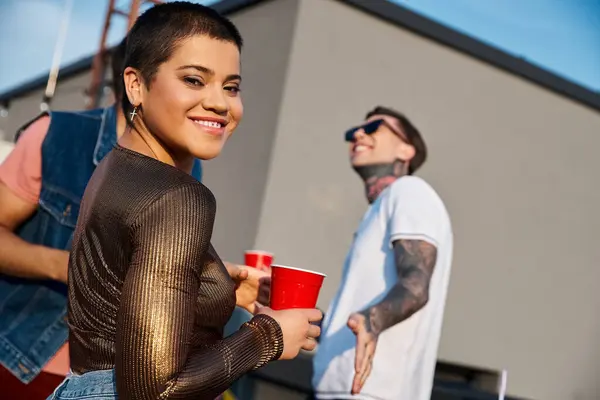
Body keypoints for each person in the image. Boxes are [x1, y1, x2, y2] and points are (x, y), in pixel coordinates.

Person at [48, 3, 322, 400]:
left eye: (231, 86)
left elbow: (113, 282)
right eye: (194, 80)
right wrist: (270, 336)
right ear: (136, 85)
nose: (219, 103)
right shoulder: (179, 197)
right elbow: (156, 391)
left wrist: (212, 284)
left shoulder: (118, 166)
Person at [312, 107, 453, 400]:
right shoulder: (380, 210)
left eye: (375, 126)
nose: (358, 134)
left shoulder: (410, 191)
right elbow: (352, 319)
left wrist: (371, 320)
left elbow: (415, 286)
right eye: (352, 133)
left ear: (406, 150)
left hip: (374, 392)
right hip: (339, 389)